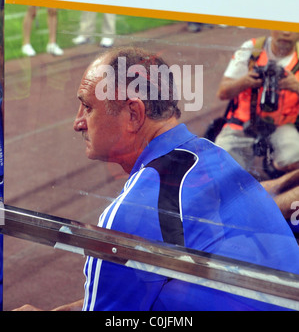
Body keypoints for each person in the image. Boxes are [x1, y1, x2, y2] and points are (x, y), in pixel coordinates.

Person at [17, 47, 299, 311]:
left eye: (87, 107)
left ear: (133, 114)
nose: (78, 122)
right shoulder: (213, 155)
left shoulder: (133, 212)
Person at [215, 31, 299, 177]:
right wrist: (244, 81)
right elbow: (222, 93)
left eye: (292, 27)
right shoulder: (252, 49)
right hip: (243, 122)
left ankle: (276, 174)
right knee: (220, 164)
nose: (286, 33)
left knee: (294, 159)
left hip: (282, 125)